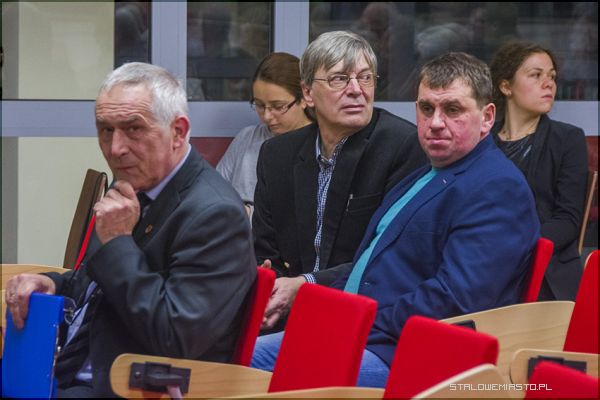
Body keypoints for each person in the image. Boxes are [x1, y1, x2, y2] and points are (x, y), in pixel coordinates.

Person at [252, 52, 540, 387]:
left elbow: (456, 299)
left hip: (412, 355)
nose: (435, 122)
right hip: (364, 332)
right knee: (236, 356)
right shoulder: (429, 172)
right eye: (426, 108)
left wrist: (362, 322)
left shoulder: (496, 187)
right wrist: (312, 295)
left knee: (259, 372)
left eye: (452, 110)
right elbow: (370, 263)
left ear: (487, 117)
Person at [4, 62, 256, 397]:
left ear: (178, 132)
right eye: (105, 130)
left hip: (129, 386)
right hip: (66, 368)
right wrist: (53, 283)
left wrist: (118, 242)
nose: (115, 148)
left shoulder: (215, 214)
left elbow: (174, 337)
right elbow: (94, 286)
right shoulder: (135, 184)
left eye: (133, 129)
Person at [252, 31, 426, 330]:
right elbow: (265, 249)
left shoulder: (403, 145)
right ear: (307, 93)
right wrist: (276, 287)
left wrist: (305, 285)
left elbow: (386, 257)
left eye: (365, 78)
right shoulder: (276, 154)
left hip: (362, 315)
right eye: (339, 79)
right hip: (284, 314)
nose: (356, 90)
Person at [489, 42, 589, 300]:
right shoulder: (482, 141)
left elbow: (568, 221)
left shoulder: (568, 139)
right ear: (506, 86)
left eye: (552, 76)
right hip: (485, 263)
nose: (549, 84)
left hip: (544, 270)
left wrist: (512, 247)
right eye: (536, 75)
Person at [217, 52, 314, 217]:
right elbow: (214, 193)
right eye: (259, 105)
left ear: (305, 97)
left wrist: (245, 214)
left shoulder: (319, 146)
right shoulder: (247, 137)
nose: (267, 116)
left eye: (278, 106)